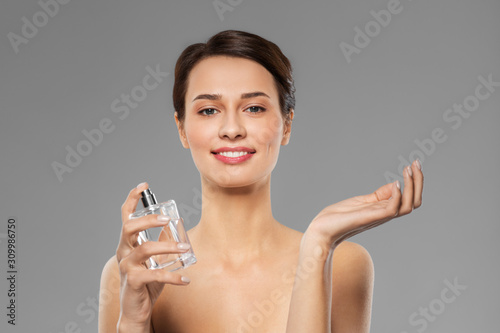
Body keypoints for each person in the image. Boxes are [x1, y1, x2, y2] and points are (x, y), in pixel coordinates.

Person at [99, 29, 424, 333]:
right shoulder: (133, 274)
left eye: (253, 108)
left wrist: (318, 245)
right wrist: (132, 321)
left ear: (286, 124)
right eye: (209, 110)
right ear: (182, 128)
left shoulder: (345, 265)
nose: (231, 129)